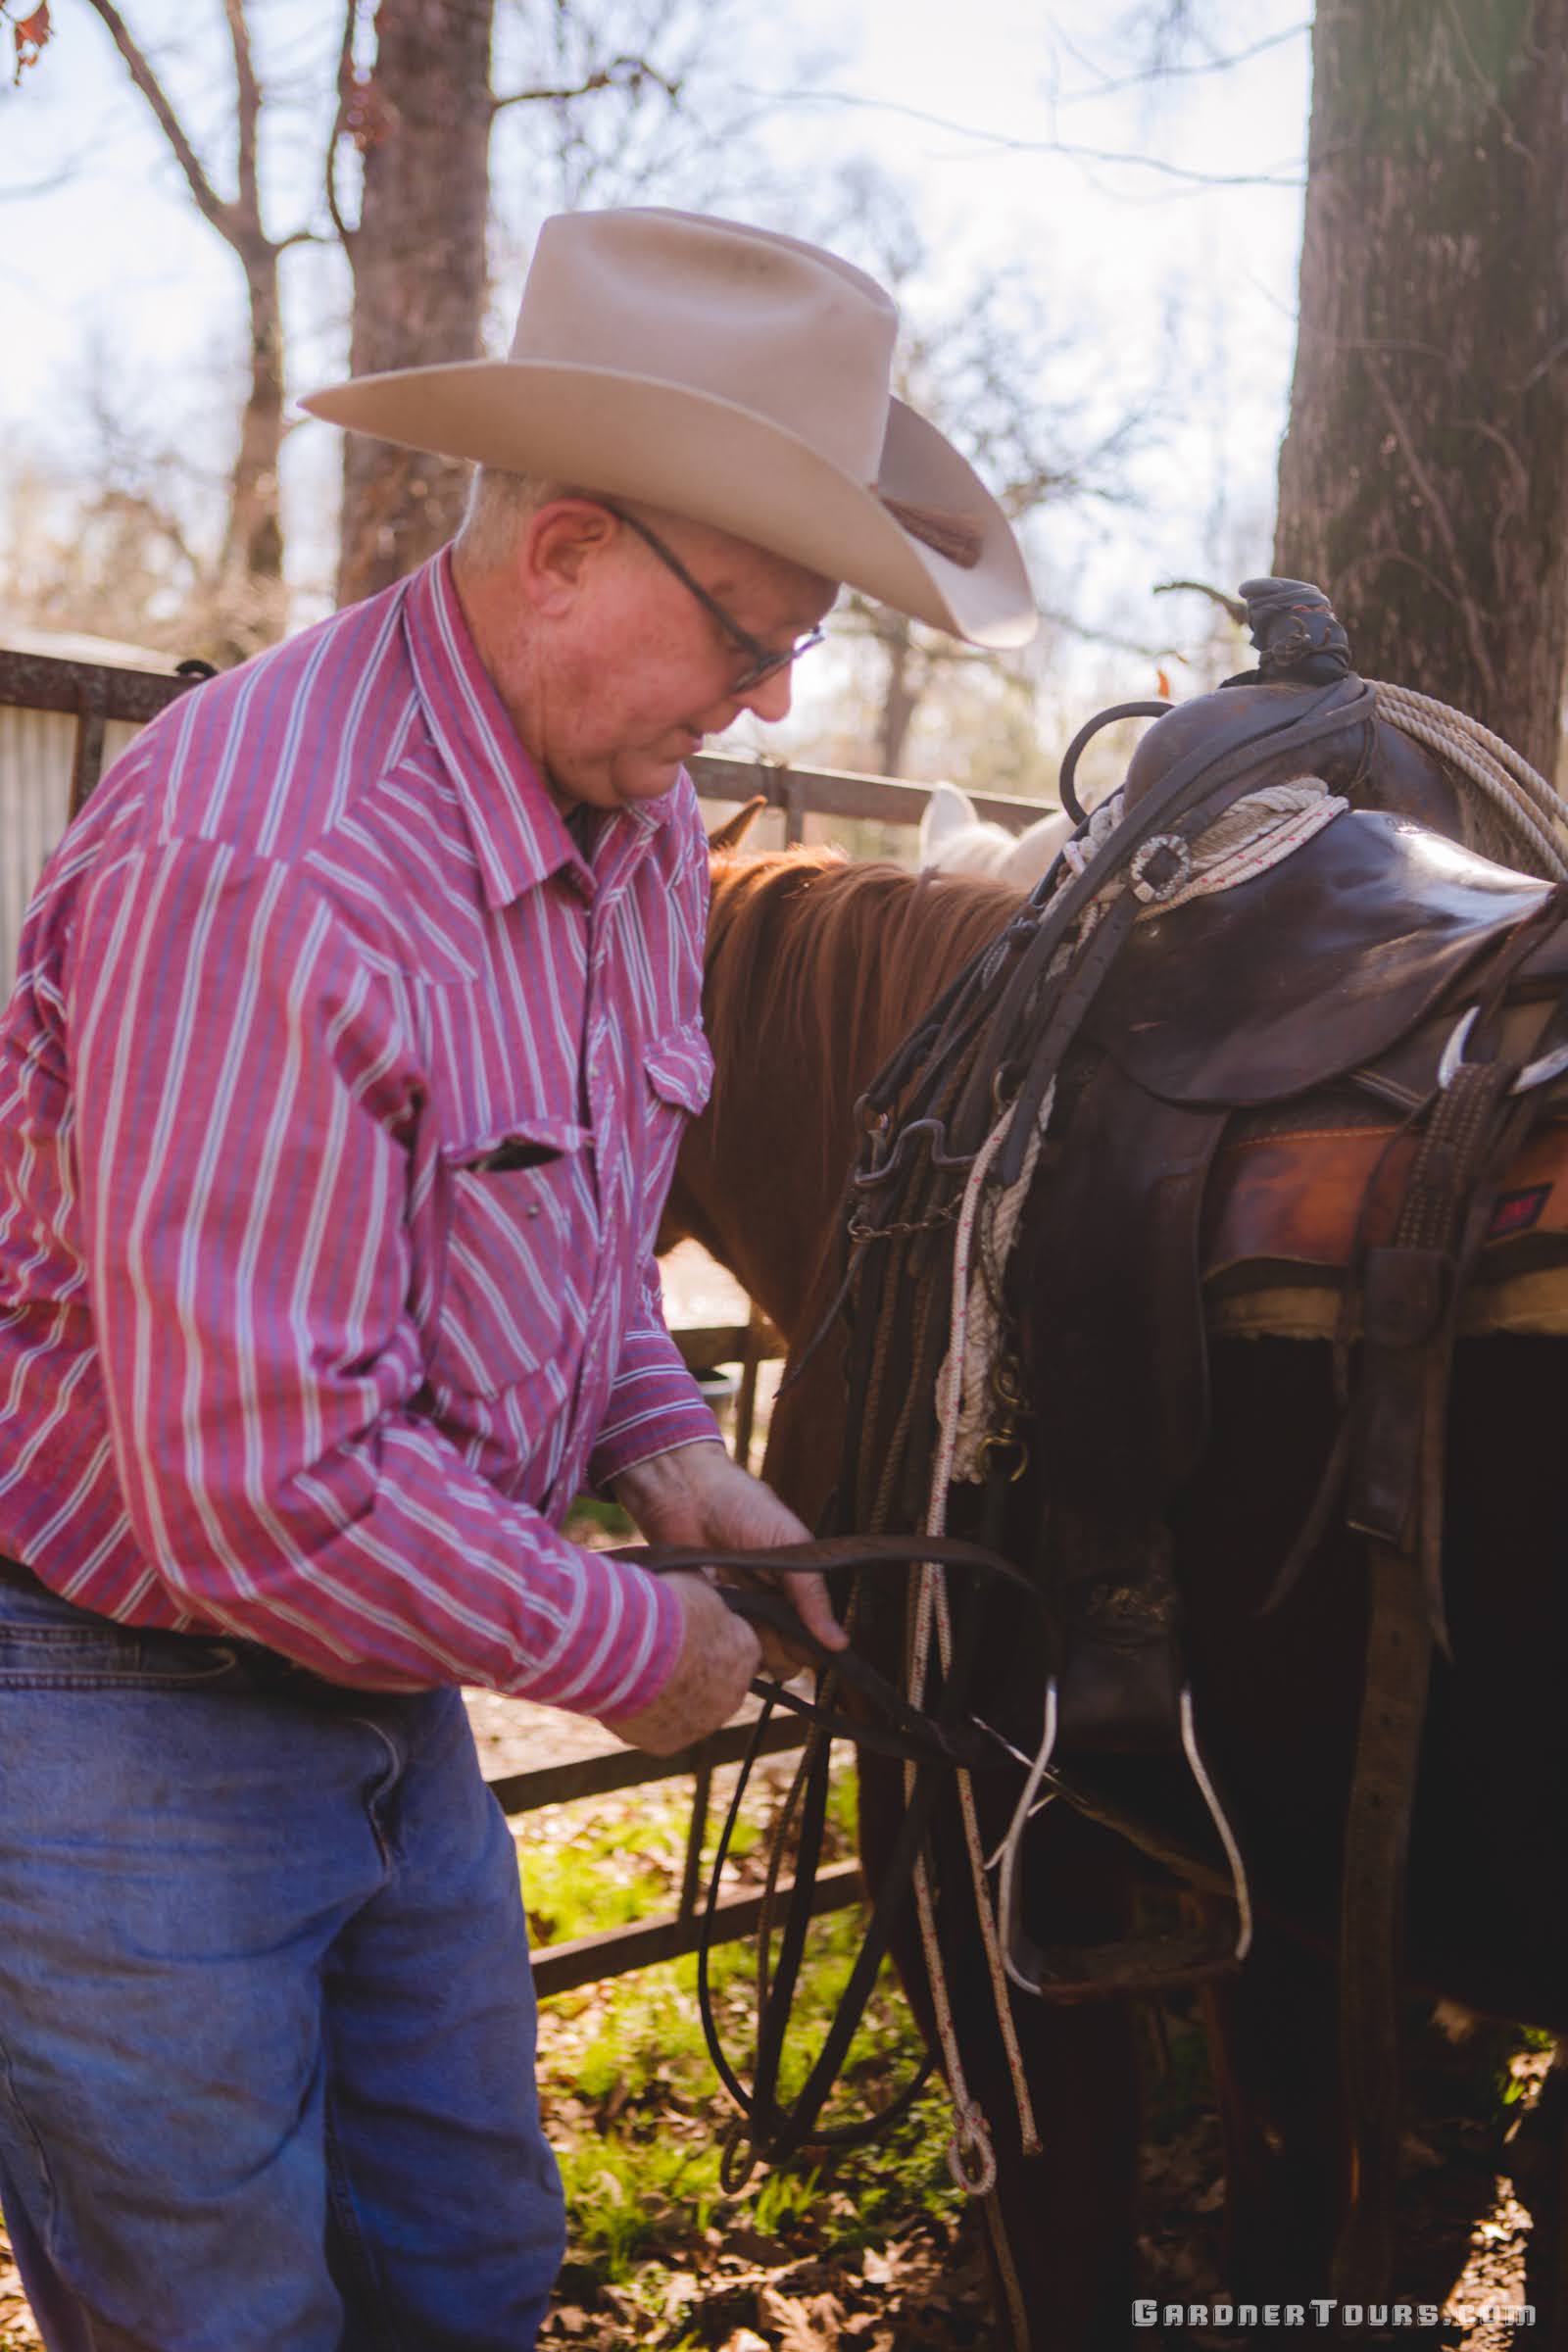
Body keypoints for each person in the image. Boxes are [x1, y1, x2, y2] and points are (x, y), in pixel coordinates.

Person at [0, 205, 1035, 2349]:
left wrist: (671, 1454)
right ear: (562, 551)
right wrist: (625, 1645)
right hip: (122, 1681)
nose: (773, 690)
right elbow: (252, 1490)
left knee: (467, 2270)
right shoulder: (267, 869)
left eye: (799, 645)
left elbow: (561, 1224)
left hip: (386, 1653)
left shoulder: (630, 823)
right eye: (751, 631)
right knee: (215, 2319)